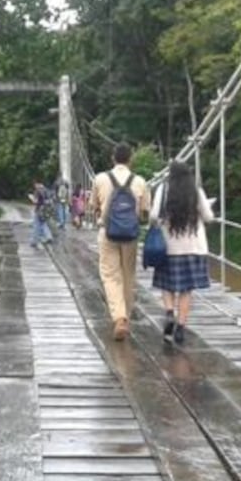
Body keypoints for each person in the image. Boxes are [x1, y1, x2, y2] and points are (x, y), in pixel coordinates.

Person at [150, 160, 215, 345]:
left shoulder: (163, 191)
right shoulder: (196, 191)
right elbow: (208, 217)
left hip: (168, 248)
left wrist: (163, 220)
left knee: (166, 285)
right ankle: (180, 327)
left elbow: (154, 216)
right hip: (193, 248)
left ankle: (170, 312)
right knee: (187, 289)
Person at [90, 143, 150, 340]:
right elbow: (144, 212)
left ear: (112, 159)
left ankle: (119, 317)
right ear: (130, 159)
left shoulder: (100, 178)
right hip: (131, 236)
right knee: (128, 276)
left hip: (107, 233)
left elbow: (93, 206)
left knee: (110, 275)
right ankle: (126, 316)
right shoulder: (140, 181)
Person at [28, 181, 54, 248]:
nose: (35, 186)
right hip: (45, 211)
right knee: (43, 224)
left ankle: (34, 241)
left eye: (35, 184)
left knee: (36, 226)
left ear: (38, 183)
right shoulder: (46, 190)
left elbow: (36, 201)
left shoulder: (38, 191)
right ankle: (49, 237)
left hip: (39, 210)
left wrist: (31, 198)